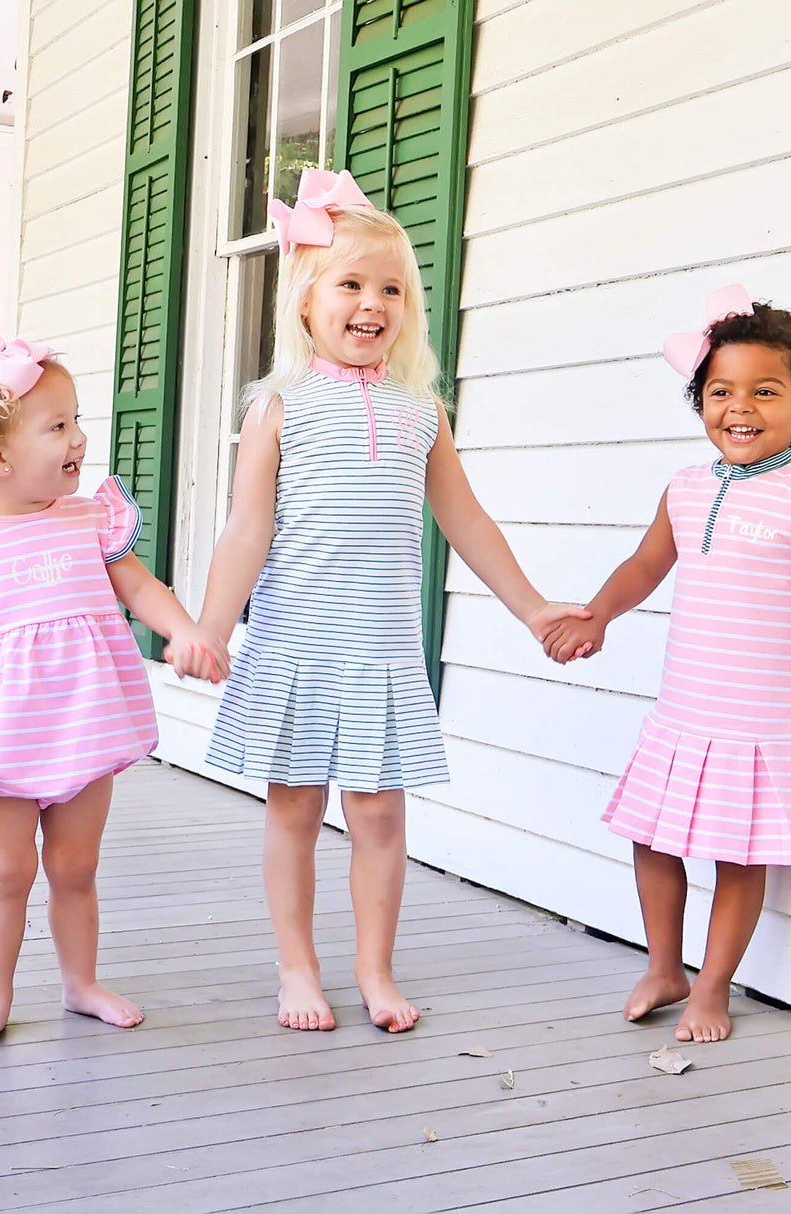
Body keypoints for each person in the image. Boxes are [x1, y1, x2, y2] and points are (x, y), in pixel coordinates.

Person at [178, 169, 585, 1033]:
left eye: (391, 288)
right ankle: (298, 968)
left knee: (380, 817)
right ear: (306, 300)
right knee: (294, 810)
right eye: (352, 284)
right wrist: (212, 627)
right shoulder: (280, 407)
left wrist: (533, 606)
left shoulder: (420, 409)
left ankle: (374, 970)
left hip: (383, 651)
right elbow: (246, 530)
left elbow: (466, 519)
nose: (373, 304)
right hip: (300, 642)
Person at [0, 330, 229, 1051]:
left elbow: (138, 584)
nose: (79, 438)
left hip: (81, 722)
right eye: (57, 426)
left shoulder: (90, 520)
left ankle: (81, 986)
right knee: (7, 872)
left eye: (77, 420)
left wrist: (184, 630)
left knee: (75, 867)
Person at [544, 286, 791, 1043]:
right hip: (682, 712)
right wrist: (598, 614)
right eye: (721, 391)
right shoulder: (687, 488)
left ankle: (712, 988)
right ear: (700, 402)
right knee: (650, 837)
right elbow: (646, 563)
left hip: (756, 721)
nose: (739, 407)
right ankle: (664, 965)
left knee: (736, 858)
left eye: (765, 391)